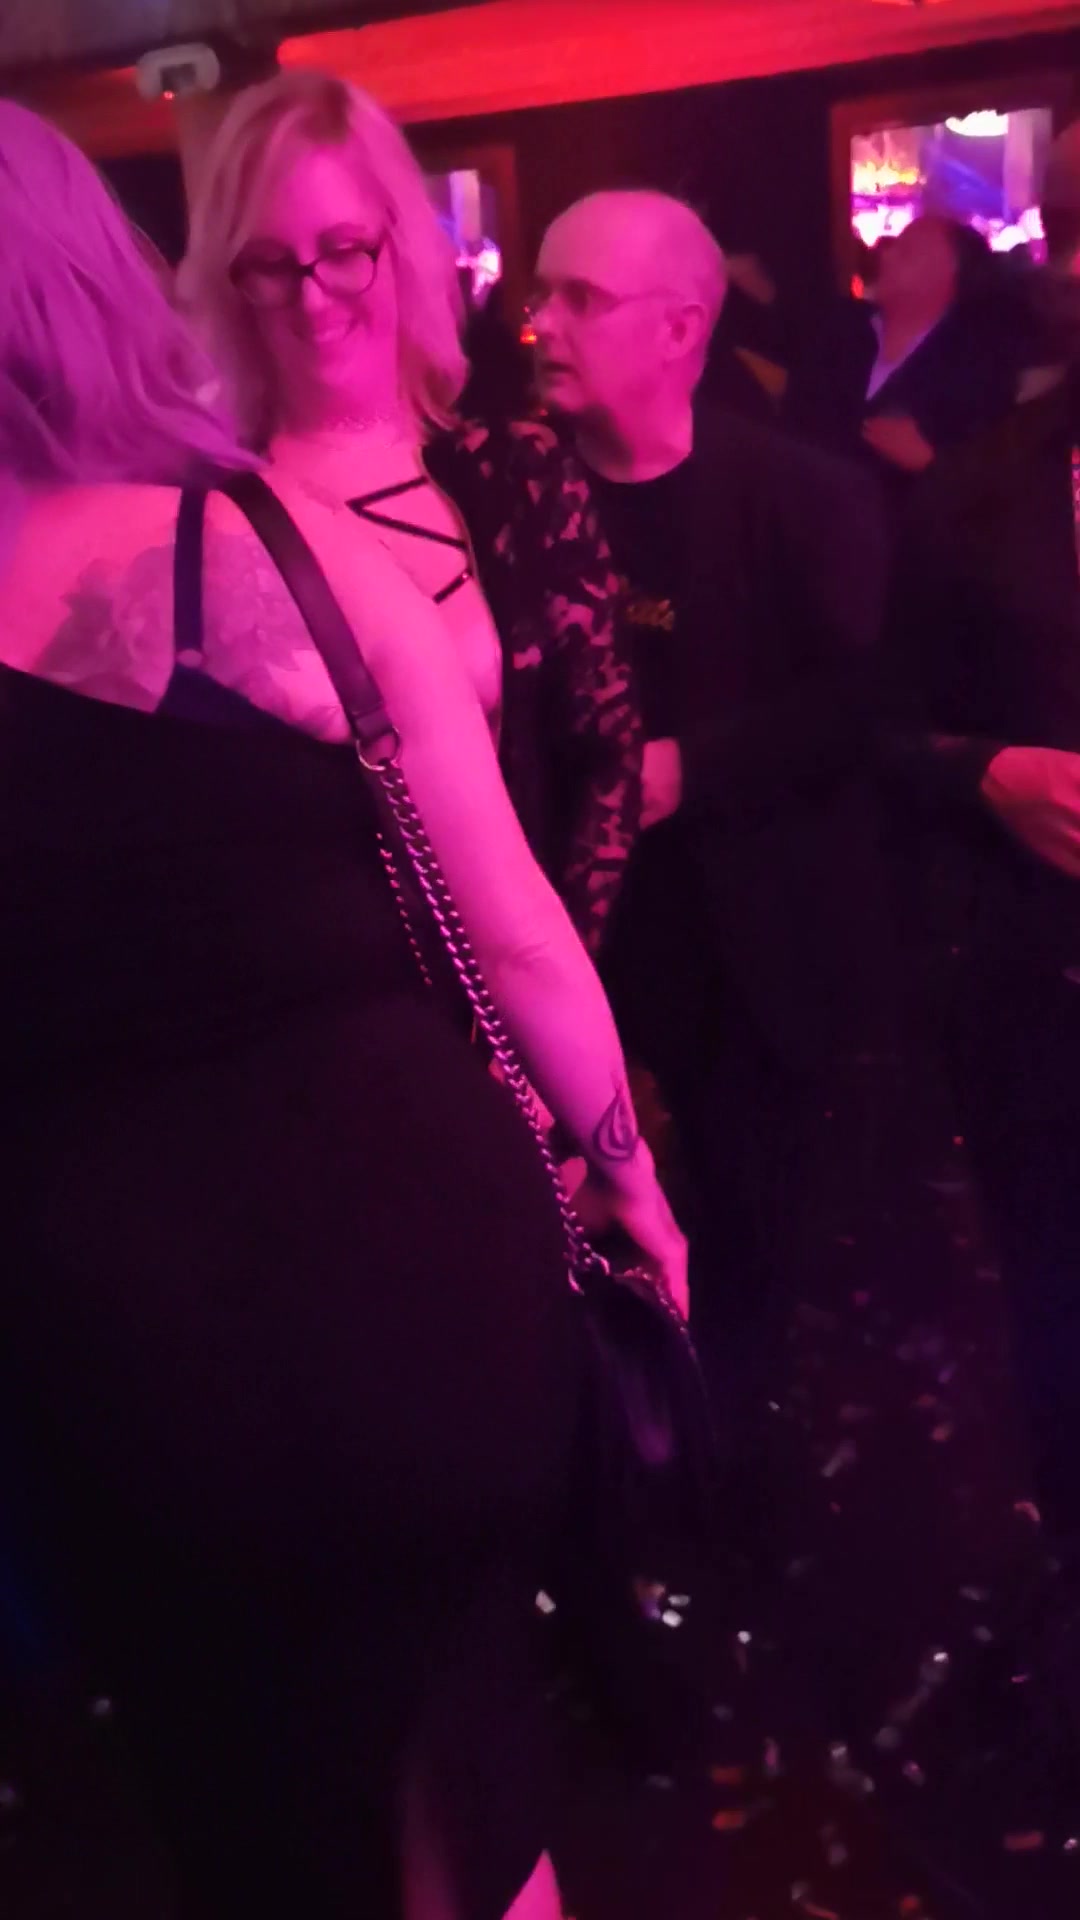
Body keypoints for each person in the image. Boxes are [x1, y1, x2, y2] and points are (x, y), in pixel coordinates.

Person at [0, 103, 685, 1920]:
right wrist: (624, 1174)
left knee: (258, 1799)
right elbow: (515, 935)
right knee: (460, 1768)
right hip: (416, 1253)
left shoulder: (380, 502)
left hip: (117, 1328)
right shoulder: (272, 546)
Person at [530, 189, 889, 1393]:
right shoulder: (513, 499)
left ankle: (726, 1446)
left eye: (580, 298)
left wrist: (695, 767)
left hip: (751, 944)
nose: (542, 323)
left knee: (746, 1253)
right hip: (574, 942)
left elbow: (867, 703)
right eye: (541, 294)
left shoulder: (799, 492)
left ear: (681, 328)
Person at [179, 69, 639, 960]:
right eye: (270, 263)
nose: (313, 294)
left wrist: (549, 986)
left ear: (401, 244)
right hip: (307, 1005)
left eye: (343, 248)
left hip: (512, 999)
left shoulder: (518, 475)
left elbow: (605, 759)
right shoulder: (203, 510)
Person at [885, 127, 1080, 1583]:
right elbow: (886, 731)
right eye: (1069, 228)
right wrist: (987, 772)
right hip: (1041, 998)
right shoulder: (984, 486)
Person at [785, 214, 1018, 494]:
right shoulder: (839, 327)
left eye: (906, 251)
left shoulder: (975, 369)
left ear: (948, 277)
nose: (886, 255)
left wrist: (930, 464)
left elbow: (989, 488)